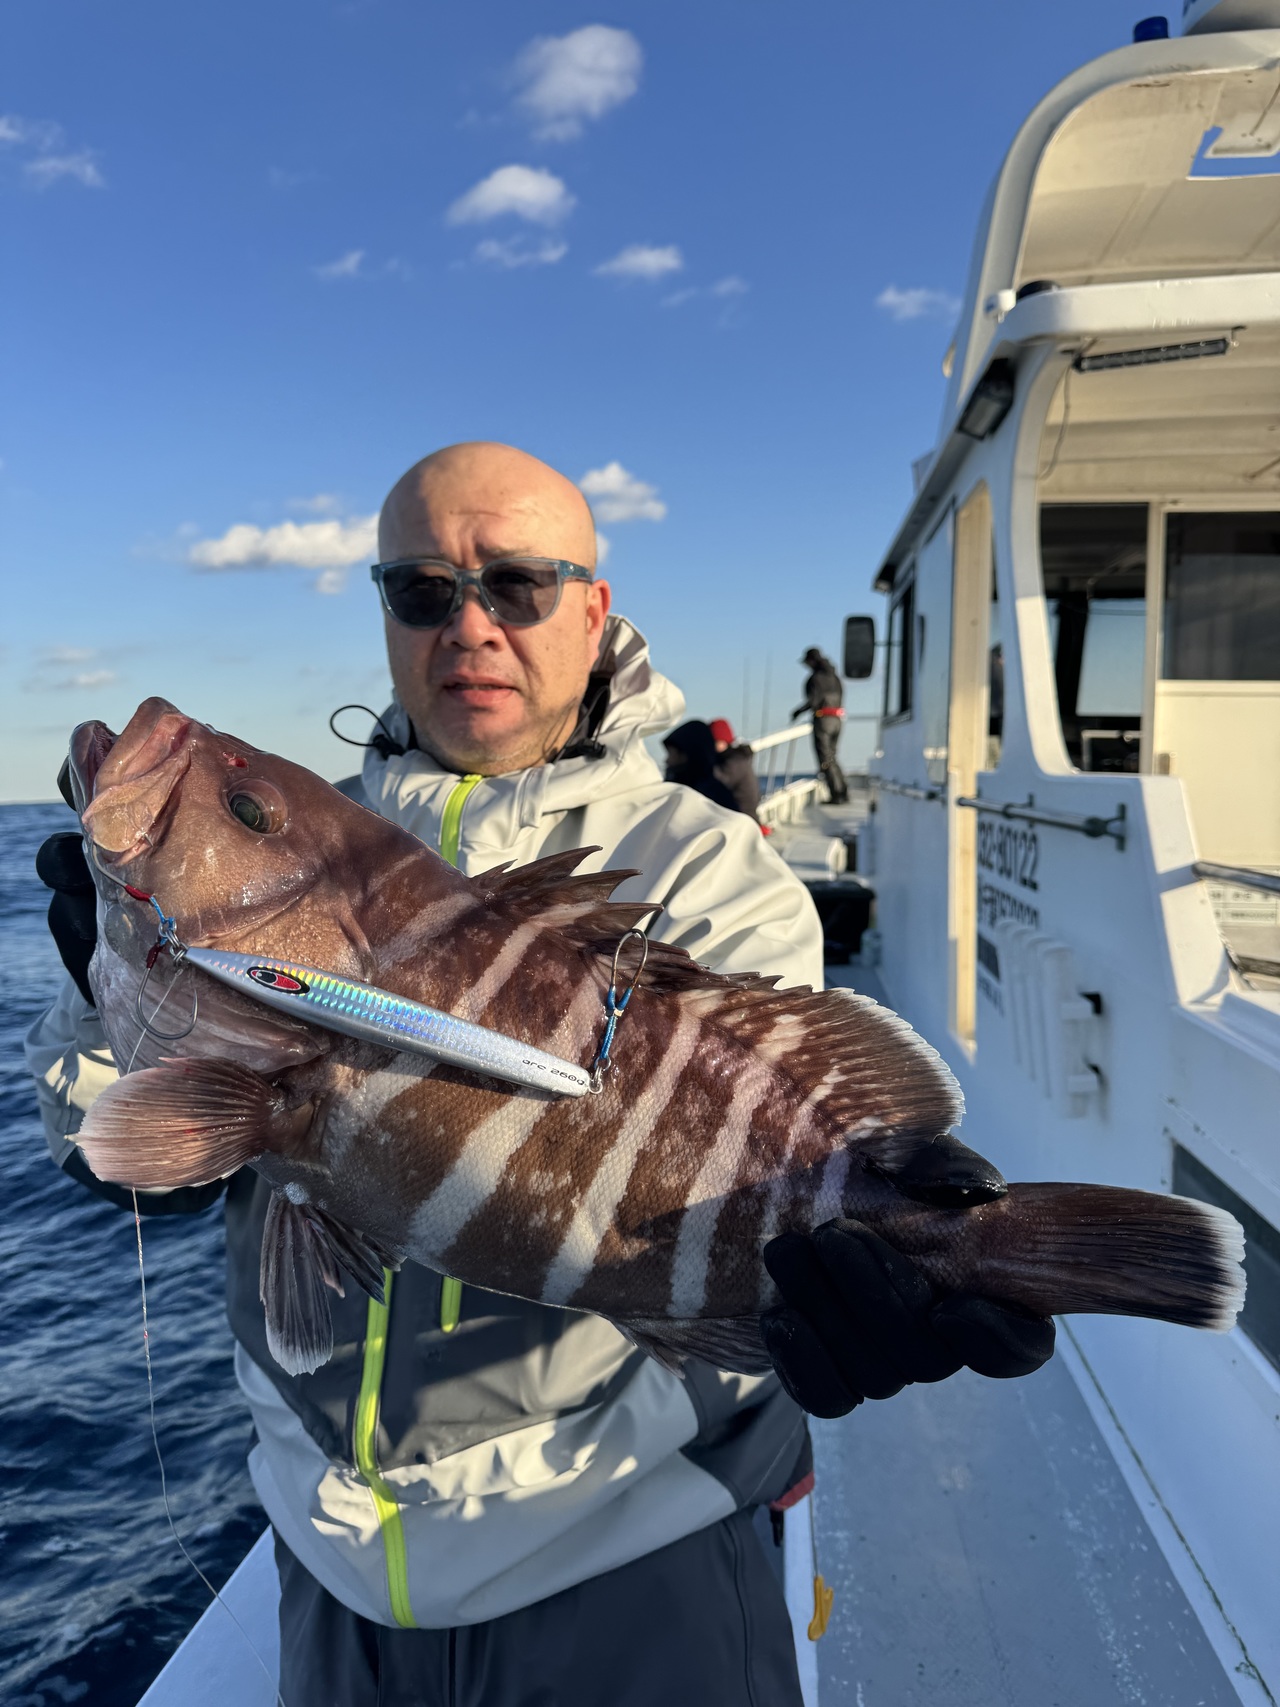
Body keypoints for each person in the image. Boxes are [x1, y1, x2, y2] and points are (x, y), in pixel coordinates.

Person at [29, 443, 1054, 1707]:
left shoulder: (704, 868)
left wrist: (879, 1262)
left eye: (515, 583)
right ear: (384, 611)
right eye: (422, 590)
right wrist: (105, 987)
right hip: (322, 1550)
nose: (470, 625)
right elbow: (117, 1158)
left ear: (591, 608)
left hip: (623, 1545)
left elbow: (766, 1151)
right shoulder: (321, 830)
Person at [792, 646, 849, 805]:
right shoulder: (835, 677)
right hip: (837, 720)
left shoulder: (815, 679)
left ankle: (836, 794)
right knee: (832, 756)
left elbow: (813, 701)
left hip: (823, 720)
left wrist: (797, 712)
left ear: (811, 661)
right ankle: (843, 791)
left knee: (825, 758)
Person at [662, 718, 738, 812]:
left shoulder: (709, 795)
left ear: (686, 755)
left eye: (671, 754)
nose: (666, 760)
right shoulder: (681, 785)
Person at [709, 717, 760, 820]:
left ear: (723, 741)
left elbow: (716, 784)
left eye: (713, 741)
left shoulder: (735, 761)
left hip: (742, 819)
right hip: (739, 816)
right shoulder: (733, 758)